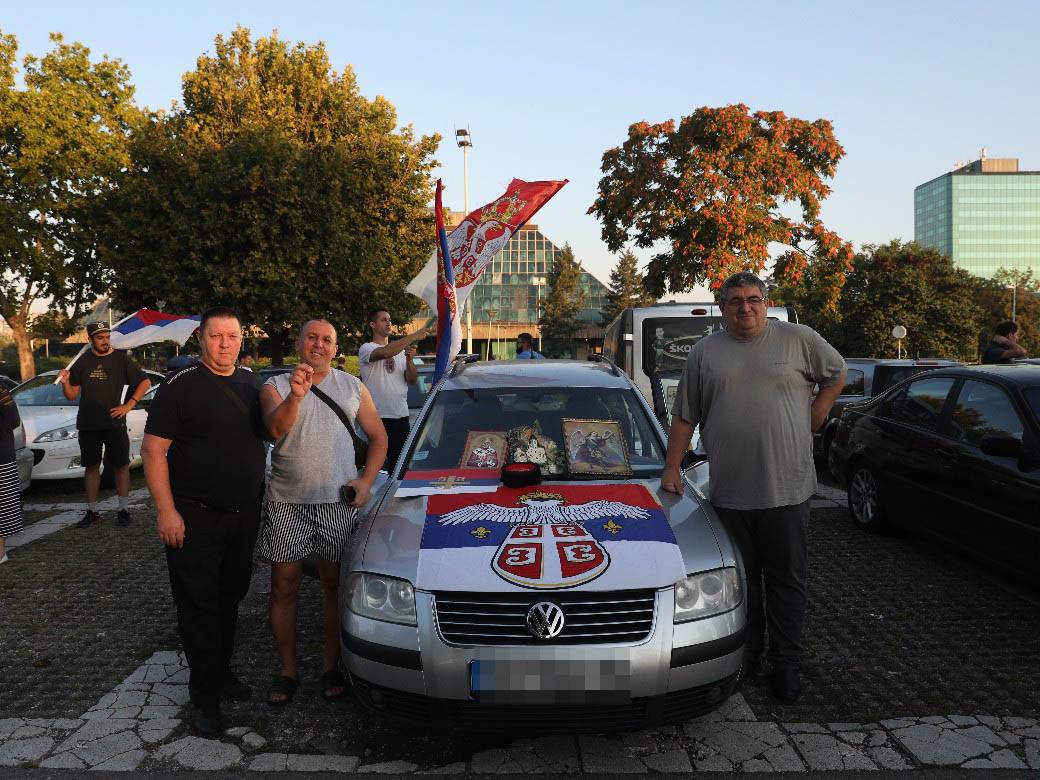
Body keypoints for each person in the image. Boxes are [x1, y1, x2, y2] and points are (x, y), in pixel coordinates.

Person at [661, 272, 846, 703]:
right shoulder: (705, 352)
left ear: (765, 302)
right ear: (722, 307)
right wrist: (672, 468)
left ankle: (787, 664)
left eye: (753, 299)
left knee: (786, 582)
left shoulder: (799, 339)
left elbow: (836, 373)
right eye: (735, 301)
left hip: (788, 491)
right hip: (729, 493)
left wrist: (819, 411)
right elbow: (685, 415)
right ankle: (750, 657)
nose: (745, 307)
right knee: (744, 584)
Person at [140, 306, 267, 736]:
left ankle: (221, 673)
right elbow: (153, 451)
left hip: (242, 515)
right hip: (193, 516)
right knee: (198, 606)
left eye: (232, 336)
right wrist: (166, 510)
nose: (225, 344)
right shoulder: (179, 386)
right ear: (201, 339)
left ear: (241, 339)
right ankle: (205, 699)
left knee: (230, 598)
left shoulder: (252, 384)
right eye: (216, 336)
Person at [258, 320, 387, 706]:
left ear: (336, 348)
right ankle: (288, 670)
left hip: (338, 503)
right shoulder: (275, 386)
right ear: (299, 342)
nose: (318, 344)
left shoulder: (352, 386)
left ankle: (331, 666)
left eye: (326, 339)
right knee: (284, 587)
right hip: (287, 503)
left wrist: (366, 481)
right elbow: (274, 430)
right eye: (311, 337)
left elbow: (379, 437)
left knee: (334, 586)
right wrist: (296, 397)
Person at [59, 322, 152, 528]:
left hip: (114, 422)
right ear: (90, 340)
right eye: (100, 338)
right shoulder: (82, 361)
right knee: (91, 466)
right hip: (88, 423)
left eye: (107, 337)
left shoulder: (121, 359)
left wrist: (129, 405)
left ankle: (123, 510)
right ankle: (92, 511)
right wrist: (65, 382)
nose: (105, 341)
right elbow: (72, 395)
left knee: (121, 465)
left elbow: (145, 382)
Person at [358, 309, 427, 470]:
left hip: (401, 416)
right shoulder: (366, 348)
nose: (388, 322)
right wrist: (414, 335)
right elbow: (385, 352)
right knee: (377, 468)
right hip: (377, 417)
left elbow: (412, 380)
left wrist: (409, 360)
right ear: (373, 325)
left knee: (399, 468)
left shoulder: (400, 351)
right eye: (383, 320)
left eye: (389, 319)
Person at [0, 384, 24, 565]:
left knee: (4, 505)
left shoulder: (1, 391)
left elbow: (14, 420)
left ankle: (0, 551)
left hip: (1, 457)